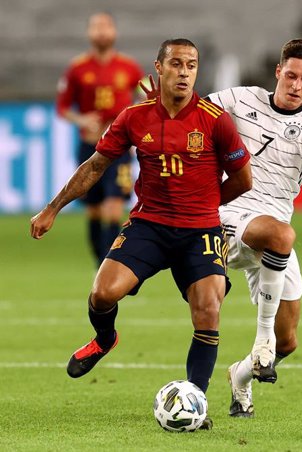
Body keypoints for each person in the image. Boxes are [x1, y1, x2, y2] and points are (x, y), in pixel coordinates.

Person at [31, 38, 252, 430]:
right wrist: (52, 208)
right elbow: (97, 165)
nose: (185, 72)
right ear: (159, 68)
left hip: (199, 230)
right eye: (177, 64)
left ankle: (195, 403)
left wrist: (203, 204)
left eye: (192, 65)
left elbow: (243, 179)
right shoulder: (134, 117)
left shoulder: (214, 119)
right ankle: (104, 339)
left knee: (209, 311)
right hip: (149, 225)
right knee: (102, 294)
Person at [208, 38, 302, 418]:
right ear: (278, 72)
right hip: (229, 214)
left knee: (289, 342)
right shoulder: (240, 99)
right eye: (292, 75)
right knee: (282, 234)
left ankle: (241, 377)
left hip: (271, 234)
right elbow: (195, 114)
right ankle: (261, 338)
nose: (297, 85)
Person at [56, 12, 144, 266]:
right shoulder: (77, 68)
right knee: (94, 208)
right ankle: (99, 259)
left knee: (114, 204)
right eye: (96, 27)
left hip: (120, 148)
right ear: (89, 33)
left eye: (106, 27)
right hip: (90, 147)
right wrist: (82, 120)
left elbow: (146, 96)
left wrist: (131, 121)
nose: (102, 32)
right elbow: (63, 107)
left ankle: (112, 262)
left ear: (114, 32)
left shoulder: (128, 67)